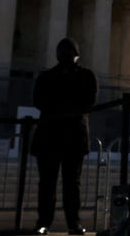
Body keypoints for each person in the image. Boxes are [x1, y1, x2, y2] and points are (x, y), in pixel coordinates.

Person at [31, 38, 98, 235]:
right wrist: (68, 107)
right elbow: (38, 100)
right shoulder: (47, 76)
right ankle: (44, 222)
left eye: (68, 50)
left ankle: (73, 222)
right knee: (47, 183)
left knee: (72, 183)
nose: (65, 54)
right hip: (51, 135)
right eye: (62, 50)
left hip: (71, 136)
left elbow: (88, 101)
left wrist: (58, 108)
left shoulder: (86, 76)